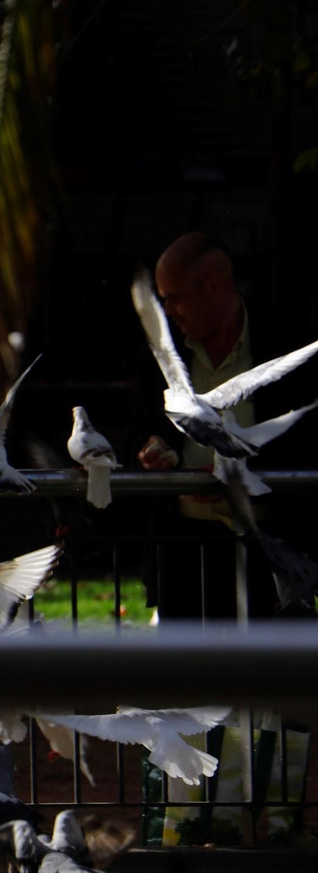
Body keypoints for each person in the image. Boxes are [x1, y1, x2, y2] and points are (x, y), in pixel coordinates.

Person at [134, 233, 282, 620]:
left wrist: (240, 479)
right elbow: (141, 428)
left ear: (213, 286)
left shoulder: (280, 341)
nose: (168, 311)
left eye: (174, 297)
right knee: (185, 659)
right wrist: (151, 452)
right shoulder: (160, 354)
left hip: (266, 547)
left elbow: (306, 441)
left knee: (265, 657)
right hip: (182, 547)